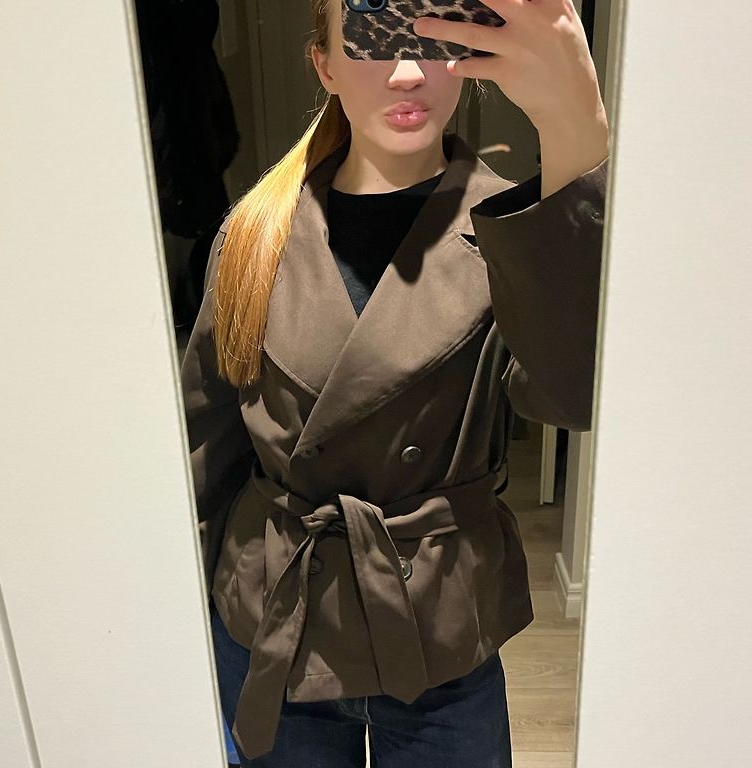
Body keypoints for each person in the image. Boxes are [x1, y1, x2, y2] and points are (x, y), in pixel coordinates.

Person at [180, 1, 610, 765]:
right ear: (324, 66)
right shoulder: (252, 232)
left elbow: (569, 396)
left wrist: (574, 128)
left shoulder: (517, 227)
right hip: (277, 615)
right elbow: (201, 453)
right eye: (373, 38)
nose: (408, 71)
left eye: (432, 39)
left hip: (438, 621)